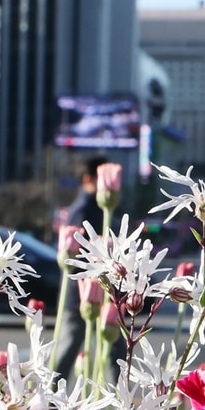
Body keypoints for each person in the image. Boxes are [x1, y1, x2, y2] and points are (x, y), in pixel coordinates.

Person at [53, 155, 127, 380]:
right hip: (83, 295)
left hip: (98, 294)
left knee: (116, 350)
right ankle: (49, 406)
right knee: (68, 351)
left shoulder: (92, 207)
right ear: (88, 179)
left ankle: (120, 401)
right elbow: (77, 256)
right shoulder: (84, 209)